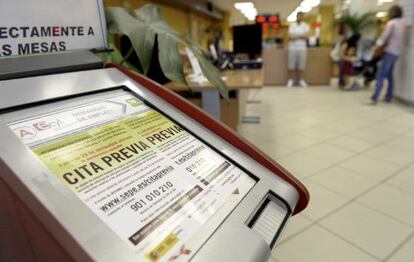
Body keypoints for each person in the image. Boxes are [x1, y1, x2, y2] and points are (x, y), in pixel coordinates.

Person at [370, 5, 406, 104]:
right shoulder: (403, 23)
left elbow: (383, 38)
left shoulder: (391, 23)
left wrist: (376, 47)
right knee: (390, 75)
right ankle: (388, 96)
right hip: (397, 53)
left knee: (381, 75)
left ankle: (374, 98)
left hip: (389, 52)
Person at [287, 12, 310, 88]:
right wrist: (301, 35)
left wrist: (296, 35)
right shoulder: (292, 25)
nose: (299, 17)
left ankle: (301, 80)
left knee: (301, 66)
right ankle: (291, 80)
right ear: (296, 17)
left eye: (301, 16)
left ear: (303, 17)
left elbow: (306, 36)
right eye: (298, 16)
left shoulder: (305, 26)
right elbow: (290, 37)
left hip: (302, 49)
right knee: (291, 65)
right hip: (292, 48)